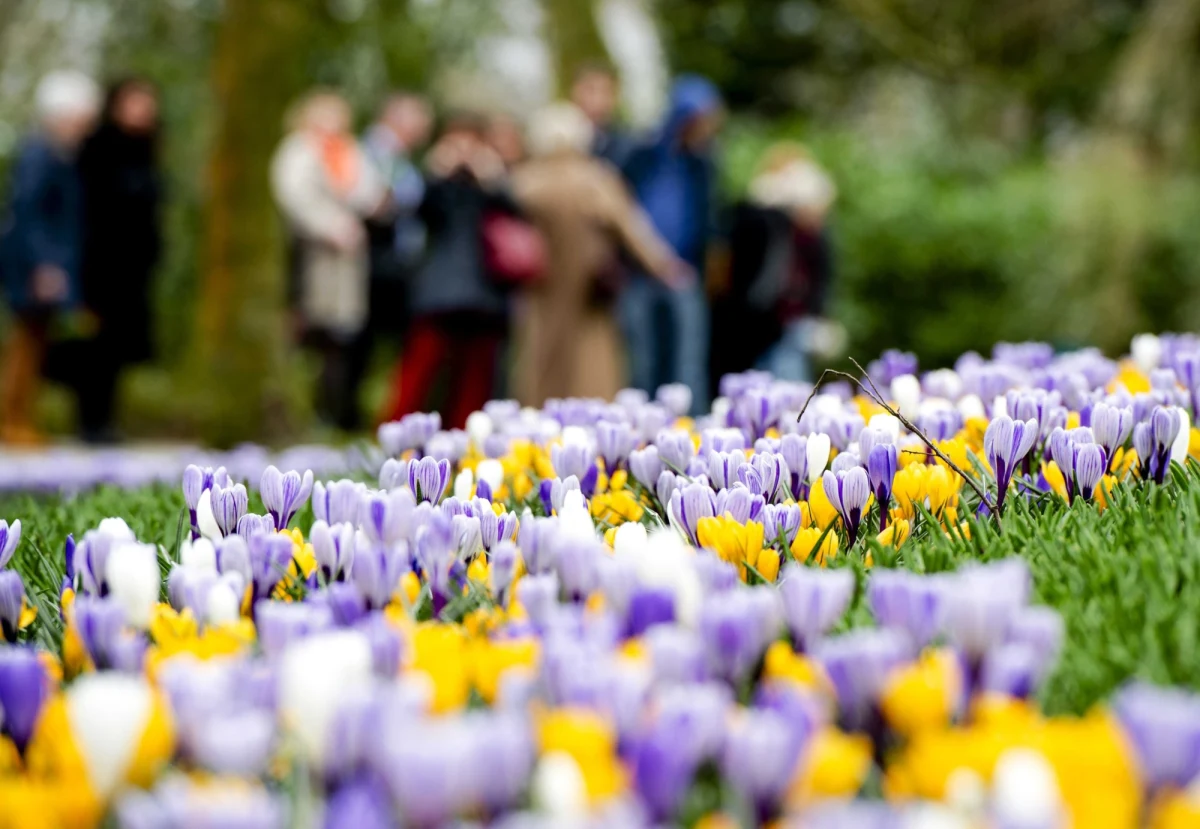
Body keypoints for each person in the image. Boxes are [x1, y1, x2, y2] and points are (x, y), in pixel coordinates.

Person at [511, 103, 684, 406]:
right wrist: (664, 266)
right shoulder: (596, 179)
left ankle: (536, 431)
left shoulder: (524, 182)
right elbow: (633, 229)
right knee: (592, 364)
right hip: (588, 288)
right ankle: (591, 432)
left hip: (540, 286)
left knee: (539, 359)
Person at [379, 113, 515, 429]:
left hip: (484, 295)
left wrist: (491, 175)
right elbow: (413, 212)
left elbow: (516, 211)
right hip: (438, 294)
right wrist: (436, 171)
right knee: (418, 373)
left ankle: (463, 443)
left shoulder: (491, 187)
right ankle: (395, 435)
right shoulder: (437, 187)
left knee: (474, 383)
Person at [270, 89, 386, 431]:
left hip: (348, 257)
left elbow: (368, 191)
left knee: (342, 331)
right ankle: (301, 407)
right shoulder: (299, 150)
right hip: (312, 252)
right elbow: (296, 197)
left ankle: (334, 410)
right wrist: (331, 226)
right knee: (312, 325)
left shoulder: (350, 152)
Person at [0, 70, 100, 445]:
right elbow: (29, 213)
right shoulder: (40, 153)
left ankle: (21, 419)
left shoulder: (58, 153)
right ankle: (11, 420)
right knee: (25, 343)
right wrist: (44, 265)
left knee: (36, 342)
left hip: (44, 262)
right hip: (33, 266)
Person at [621, 74, 723, 412]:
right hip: (639, 273)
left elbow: (710, 219)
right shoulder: (643, 154)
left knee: (687, 361)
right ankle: (644, 431)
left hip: (685, 271)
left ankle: (690, 428)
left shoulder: (704, 162)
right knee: (642, 360)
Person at [71, 77, 162, 443]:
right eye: (134, 101)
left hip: (134, 268)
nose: (142, 109)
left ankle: (108, 420)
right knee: (94, 345)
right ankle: (89, 422)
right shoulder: (96, 148)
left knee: (120, 348)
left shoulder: (148, 149)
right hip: (98, 263)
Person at [710, 144, 842, 387]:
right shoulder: (764, 221)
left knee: (790, 382)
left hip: (794, 325)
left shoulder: (814, 237)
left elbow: (821, 279)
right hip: (760, 322)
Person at [361, 92, 433, 342]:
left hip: (395, 262)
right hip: (376, 260)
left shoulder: (402, 160)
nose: (426, 125)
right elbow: (379, 205)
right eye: (420, 117)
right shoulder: (377, 153)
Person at [570, 62, 633, 170]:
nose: (598, 99)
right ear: (575, 91)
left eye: (606, 91)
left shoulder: (626, 148)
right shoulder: (555, 140)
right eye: (590, 90)